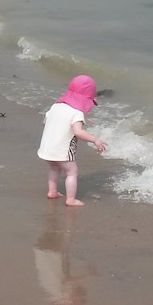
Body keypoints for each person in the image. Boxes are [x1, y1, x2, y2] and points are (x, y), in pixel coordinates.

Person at [37, 74, 107, 207]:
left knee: (54, 168)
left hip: (47, 147)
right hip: (62, 150)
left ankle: (52, 191)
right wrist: (95, 140)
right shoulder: (76, 113)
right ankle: (71, 199)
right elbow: (78, 132)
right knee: (71, 172)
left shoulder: (55, 106)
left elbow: (45, 121)